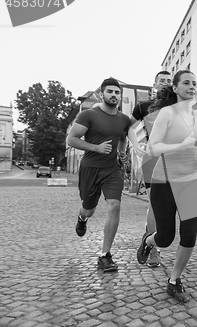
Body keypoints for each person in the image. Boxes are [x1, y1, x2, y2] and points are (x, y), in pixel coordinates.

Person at [136, 70, 197, 302]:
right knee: (166, 238)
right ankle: (149, 241)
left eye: (194, 83)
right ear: (176, 88)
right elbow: (153, 149)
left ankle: (174, 280)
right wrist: (179, 146)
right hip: (165, 180)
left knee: (189, 235)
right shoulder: (166, 114)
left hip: (190, 181)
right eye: (186, 83)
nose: (191, 86)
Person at [67, 77, 131, 272]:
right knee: (89, 209)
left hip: (112, 169)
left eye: (117, 92)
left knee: (115, 206)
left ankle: (105, 255)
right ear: (101, 94)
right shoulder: (89, 115)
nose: (114, 95)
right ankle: (82, 218)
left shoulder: (123, 119)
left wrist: (121, 154)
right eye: (110, 91)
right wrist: (96, 147)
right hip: (90, 168)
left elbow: (122, 138)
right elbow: (72, 139)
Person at [128, 71, 172, 267]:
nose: (165, 83)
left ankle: (154, 238)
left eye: (169, 81)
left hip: (173, 161)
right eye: (162, 80)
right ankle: (153, 248)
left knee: (170, 208)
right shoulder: (144, 107)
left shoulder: (177, 107)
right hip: (152, 160)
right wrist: (136, 146)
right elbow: (128, 127)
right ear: (154, 84)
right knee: (155, 205)